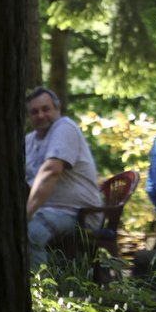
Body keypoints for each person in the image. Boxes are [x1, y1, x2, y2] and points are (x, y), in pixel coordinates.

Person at [25, 87, 103, 270]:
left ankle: (40, 292)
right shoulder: (29, 141)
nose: (41, 115)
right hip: (48, 211)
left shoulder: (64, 128)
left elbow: (51, 170)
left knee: (30, 230)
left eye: (46, 109)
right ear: (28, 117)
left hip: (79, 213)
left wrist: (26, 213)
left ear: (57, 110)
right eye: (34, 112)